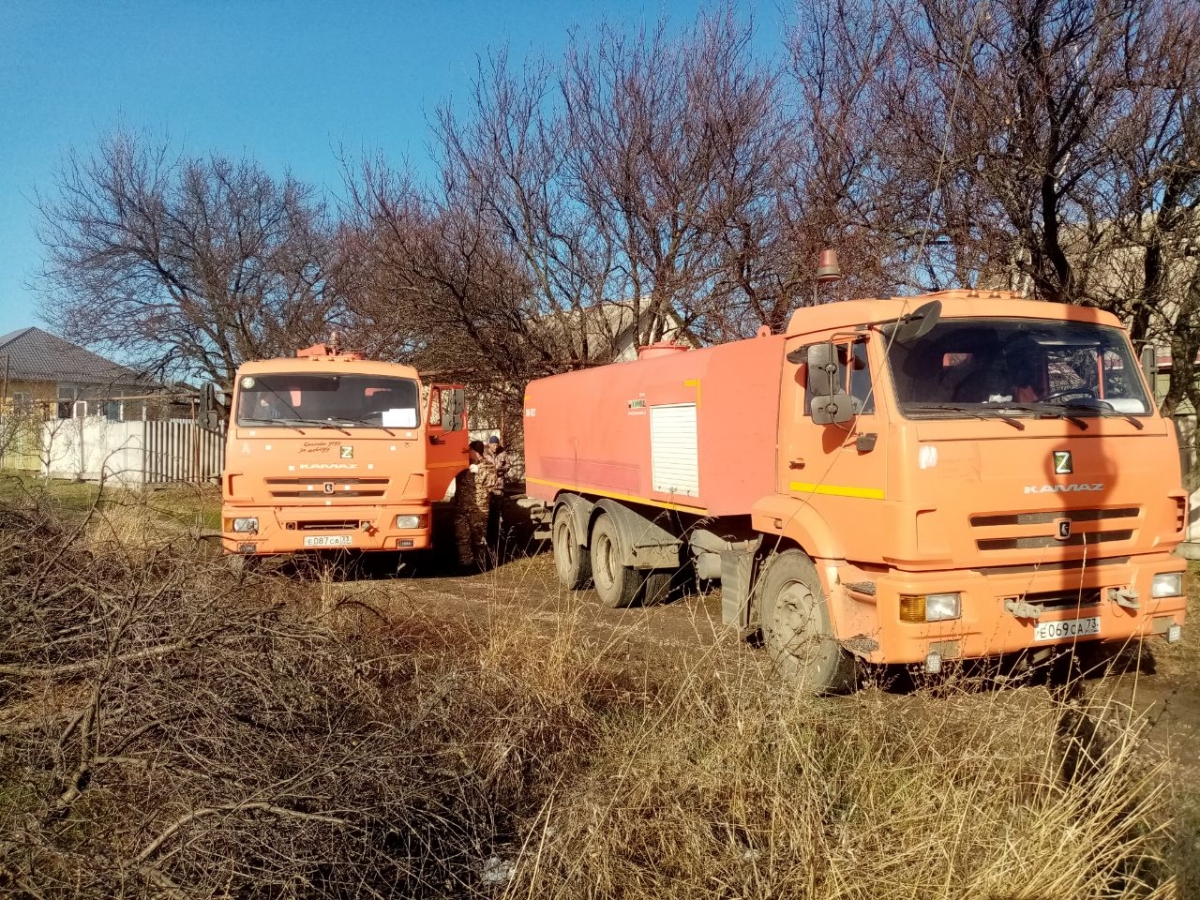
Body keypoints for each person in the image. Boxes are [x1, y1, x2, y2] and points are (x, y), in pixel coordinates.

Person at [455, 440, 498, 572]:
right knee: (462, 536)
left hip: (479, 508)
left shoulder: (487, 465)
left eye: (470, 450)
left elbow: (492, 482)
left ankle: (481, 564)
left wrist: (479, 470)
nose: (468, 453)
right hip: (462, 508)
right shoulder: (463, 465)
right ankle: (465, 564)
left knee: (479, 538)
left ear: (476, 452)